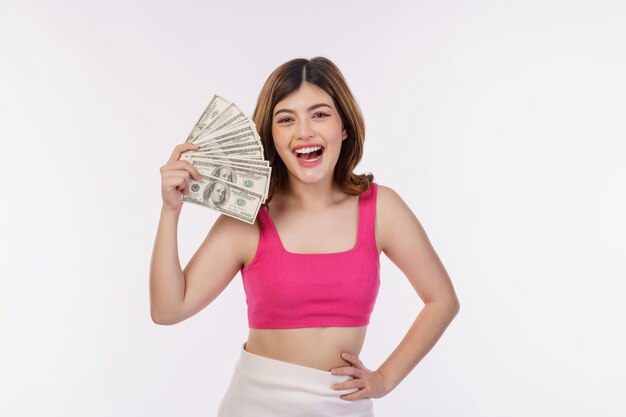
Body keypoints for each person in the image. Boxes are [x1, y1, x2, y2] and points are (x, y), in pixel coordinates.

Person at [150, 57, 460, 417]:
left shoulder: (382, 209)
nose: (304, 132)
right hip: (254, 405)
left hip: (342, 408)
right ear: (271, 136)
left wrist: (384, 379)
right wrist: (170, 211)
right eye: (286, 119)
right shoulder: (249, 219)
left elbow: (442, 300)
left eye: (320, 114)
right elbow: (168, 309)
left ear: (344, 127)